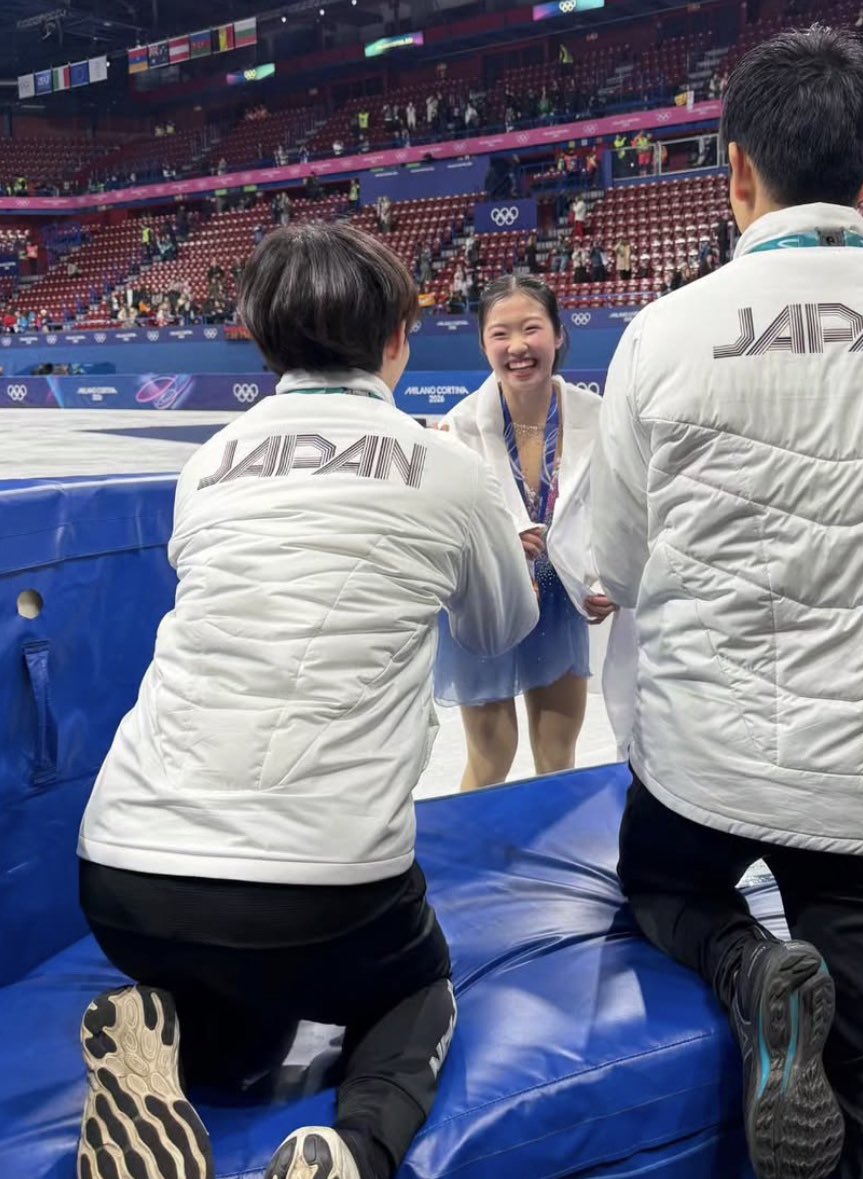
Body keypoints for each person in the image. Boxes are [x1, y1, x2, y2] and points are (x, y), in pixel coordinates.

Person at [591, 28, 863, 1179]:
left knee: (662, 885)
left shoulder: (664, 334)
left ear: (736, 170)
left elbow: (604, 561)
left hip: (704, 769)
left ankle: (747, 969)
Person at [73, 223, 538, 1179]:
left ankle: (167, 1030)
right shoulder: (445, 470)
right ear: (398, 342)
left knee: (250, 1038)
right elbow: (499, 635)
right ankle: (352, 1149)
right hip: (325, 894)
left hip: (122, 878)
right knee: (416, 993)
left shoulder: (206, 467)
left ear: (259, 339)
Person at [435, 275, 620, 791]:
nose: (517, 346)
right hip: (490, 595)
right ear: (483, 344)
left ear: (558, 335)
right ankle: (472, 865)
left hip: (561, 597)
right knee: (492, 758)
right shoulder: (456, 429)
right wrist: (499, 545)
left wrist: (607, 578)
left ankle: (555, 870)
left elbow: (619, 511)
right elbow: (446, 530)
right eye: (500, 334)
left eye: (531, 328)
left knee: (557, 753)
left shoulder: (597, 418)